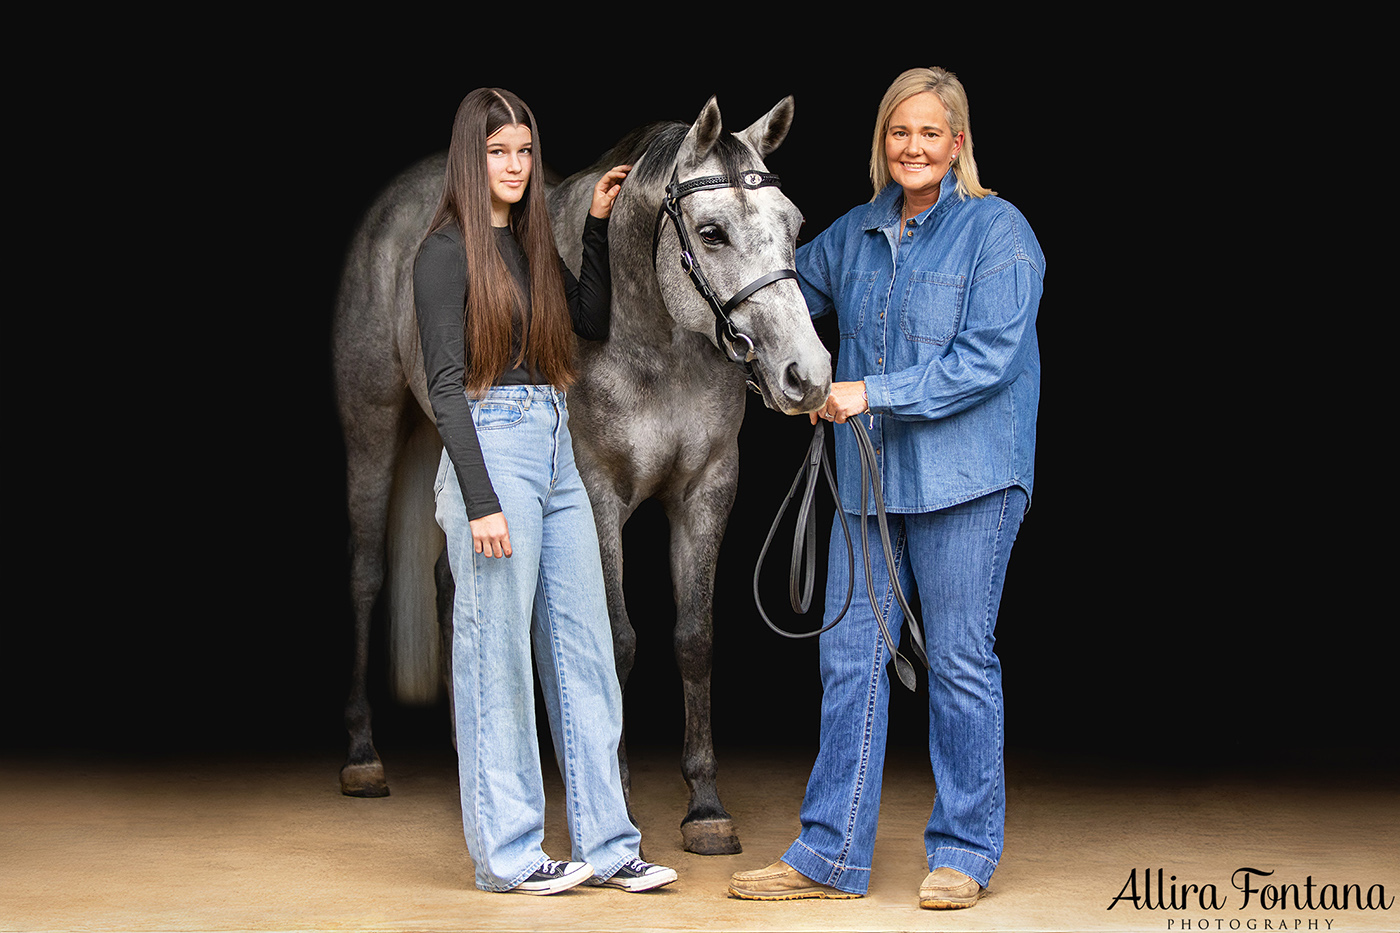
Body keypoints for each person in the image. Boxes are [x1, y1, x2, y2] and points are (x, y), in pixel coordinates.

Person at [728, 66, 1044, 910]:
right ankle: (829, 853)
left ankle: (966, 849)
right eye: (899, 133)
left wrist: (867, 390)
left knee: (959, 659)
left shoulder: (998, 232)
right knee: (848, 659)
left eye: (930, 133)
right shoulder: (856, 231)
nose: (913, 148)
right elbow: (780, 288)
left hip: (970, 478)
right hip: (870, 481)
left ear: (958, 143)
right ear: (883, 142)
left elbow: (986, 361)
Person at [414, 87, 675, 896]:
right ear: (471, 156)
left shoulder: (528, 247)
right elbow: (446, 388)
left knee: (584, 646)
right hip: (490, 445)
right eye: (499, 152)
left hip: (556, 441)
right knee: (495, 656)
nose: (516, 166)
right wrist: (481, 496)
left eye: (524, 151)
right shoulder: (445, 253)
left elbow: (588, 321)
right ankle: (509, 853)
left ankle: (607, 842)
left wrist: (594, 225)